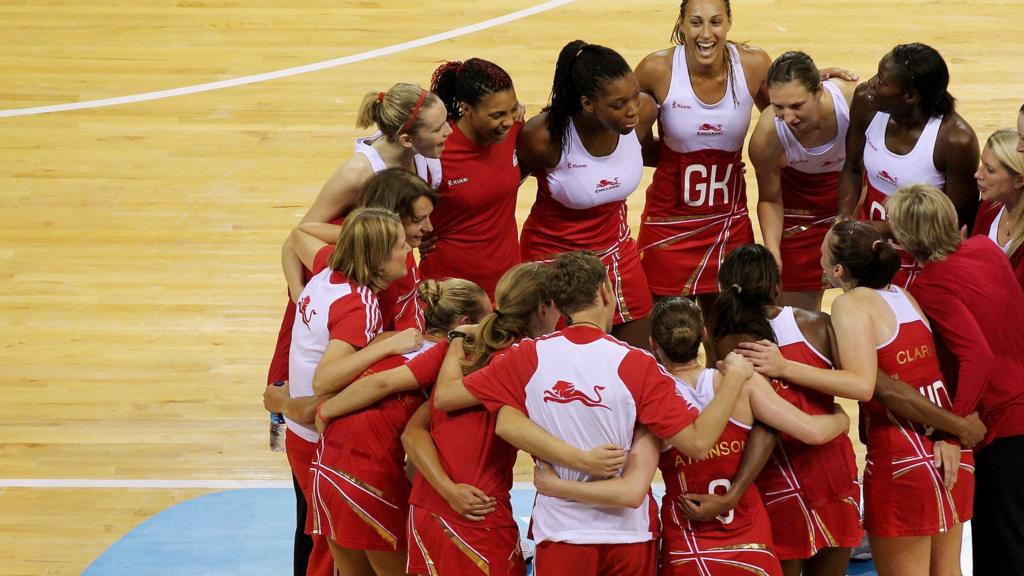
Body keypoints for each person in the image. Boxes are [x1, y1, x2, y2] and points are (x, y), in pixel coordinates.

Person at [432, 250, 755, 575]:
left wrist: (458, 339)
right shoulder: (639, 364)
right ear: (605, 291)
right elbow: (698, 443)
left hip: (560, 531)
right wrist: (734, 380)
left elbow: (446, 398)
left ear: (557, 305)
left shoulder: (526, 357)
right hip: (628, 534)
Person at [312, 263, 588, 576]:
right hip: (474, 512)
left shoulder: (460, 345)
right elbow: (497, 421)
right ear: (544, 308)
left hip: (423, 505)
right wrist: (584, 462)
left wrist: (327, 409)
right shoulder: (523, 358)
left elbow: (407, 422)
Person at [738, 220, 974, 576]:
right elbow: (926, 372)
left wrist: (784, 367)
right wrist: (951, 430)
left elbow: (863, 385)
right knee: (948, 570)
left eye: (822, 251)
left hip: (902, 453)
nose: (817, 256)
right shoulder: (902, 294)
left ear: (837, 270)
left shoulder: (850, 305)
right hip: (948, 447)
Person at [263, 207, 422, 576]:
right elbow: (325, 379)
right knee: (330, 554)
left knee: (330, 545)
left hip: (302, 437)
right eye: (400, 246)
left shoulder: (327, 274)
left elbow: (299, 234)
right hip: (319, 439)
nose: (407, 252)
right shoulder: (359, 303)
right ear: (378, 258)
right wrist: (387, 345)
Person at [267, 83, 449, 389]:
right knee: (308, 379)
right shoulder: (356, 175)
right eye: (439, 127)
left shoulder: (424, 152)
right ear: (406, 139)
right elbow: (295, 239)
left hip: (384, 275)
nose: (449, 132)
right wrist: (301, 299)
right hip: (345, 279)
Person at [308, 277, 490, 576]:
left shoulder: (390, 341)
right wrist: (327, 409)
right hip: (368, 477)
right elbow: (382, 383)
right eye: (488, 315)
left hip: (325, 467)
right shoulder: (448, 354)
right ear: (464, 322)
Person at [887, 184, 1024, 576]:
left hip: (1001, 423)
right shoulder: (984, 247)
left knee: (1002, 547)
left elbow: (978, 357)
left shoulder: (930, 285)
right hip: (1018, 403)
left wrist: (955, 428)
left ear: (907, 237)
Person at [709, 244, 862, 576]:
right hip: (831, 471)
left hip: (774, 477)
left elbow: (760, 425)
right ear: (776, 287)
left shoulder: (726, 345)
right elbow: (864, 382)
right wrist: (839, 418)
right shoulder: (817, 323)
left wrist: (735, 491)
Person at [517, 40, 658, 348]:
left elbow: (655, 153)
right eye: (619, 104)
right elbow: (501, 190)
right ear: (588, 104)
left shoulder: (643, 114)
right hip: (553, 262)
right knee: (562, 363)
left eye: (634, 96)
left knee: (642, 358)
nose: (633, 109)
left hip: (617, 254)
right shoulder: (544, 137)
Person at [634, 0, 769, 308]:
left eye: (715, 22)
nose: (706, 33)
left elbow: (784, 115)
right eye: (696, 23)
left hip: (728, 221)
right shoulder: (655, 69)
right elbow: (622, 127)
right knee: (664, 330)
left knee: (728, 330)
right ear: (681, 24)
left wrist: (813, 82)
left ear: (729, 23)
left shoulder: (754, 65)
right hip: (669, 221)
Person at [837, 43, 979, 287]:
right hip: (872, 247)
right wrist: (844, 217)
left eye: (882, 81)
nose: (871, 83)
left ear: (911, 96)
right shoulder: (866, 102)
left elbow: (953, 226)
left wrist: (884, 228)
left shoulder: (955, 140)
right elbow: (851, 168)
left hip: (924, 257)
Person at [749, 51, 856, 311]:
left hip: (851, 199)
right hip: (798, 212)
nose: (788, 118)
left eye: (797, 106)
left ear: (819, 90)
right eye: (778, 107)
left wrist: (847, 219)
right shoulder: (767, 136)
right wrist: (772, 250)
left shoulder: (853, 100)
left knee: (865, 302)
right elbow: (769, 199)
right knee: (798, 318)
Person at [282, 169, 439, 334]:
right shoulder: (362, 264)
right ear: (392, 215)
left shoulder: (400, 247)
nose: (429, 227)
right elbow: (298, 235)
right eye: (419, 219)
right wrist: (372, 235)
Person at [419, 58, 525, 298]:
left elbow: (514, 174)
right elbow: (395, 207)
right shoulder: (437, 151)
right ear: (466, 109)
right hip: (450, 294)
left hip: (507, 288)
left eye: (512, 109)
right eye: (498, 114)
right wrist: (413, 236)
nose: (507, 121)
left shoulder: (514, 131)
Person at [973, 129, 1024, 288]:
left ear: (1019, 180)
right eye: (982, 164)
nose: (977, 174)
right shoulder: (989, 206)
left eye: (990, 170)